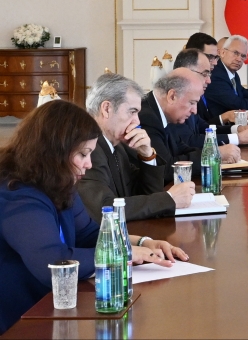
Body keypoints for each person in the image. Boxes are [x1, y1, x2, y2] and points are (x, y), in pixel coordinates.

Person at [0, 100, 187, 334]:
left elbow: (89, 234)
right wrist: (124, 254)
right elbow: (53, 264)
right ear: (53, 152)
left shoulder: (58, 183)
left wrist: (142, 243)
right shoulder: (17, 195)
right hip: (19, 320)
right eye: (83, 154)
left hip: (55, 309)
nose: (89, 164)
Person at [77, 73, 195, 221]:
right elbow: (104, 209)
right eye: (132, 112)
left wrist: (147, 156)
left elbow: (144, 194)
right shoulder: (87, 150)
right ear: (107, 109)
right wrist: (169, 198)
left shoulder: (118, 147)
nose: (137, 121)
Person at [139, 69, 242, 186]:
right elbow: (166, 169)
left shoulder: (165, 112)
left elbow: (182, 149)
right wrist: (215, 154)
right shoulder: (147, 118)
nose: (195, 111)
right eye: (192, 103)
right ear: (172, 96)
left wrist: (214, 152)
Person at [173, 48, 248, 147]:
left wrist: (237, 129)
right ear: (187, 71)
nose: (209, 80)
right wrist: (238, 138)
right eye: (205, 74)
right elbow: (189, 141)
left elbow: (204, 128)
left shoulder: (193, 95)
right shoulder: (176, 99)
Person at [183, 33, 248, 126]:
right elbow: (195, 131)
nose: (215, 62)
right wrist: (225, 118)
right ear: (193, 55)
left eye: (216, 57)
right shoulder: (184, 88)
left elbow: (202, 126)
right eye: (211, 57)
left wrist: (236, 129)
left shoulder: (200, 82)